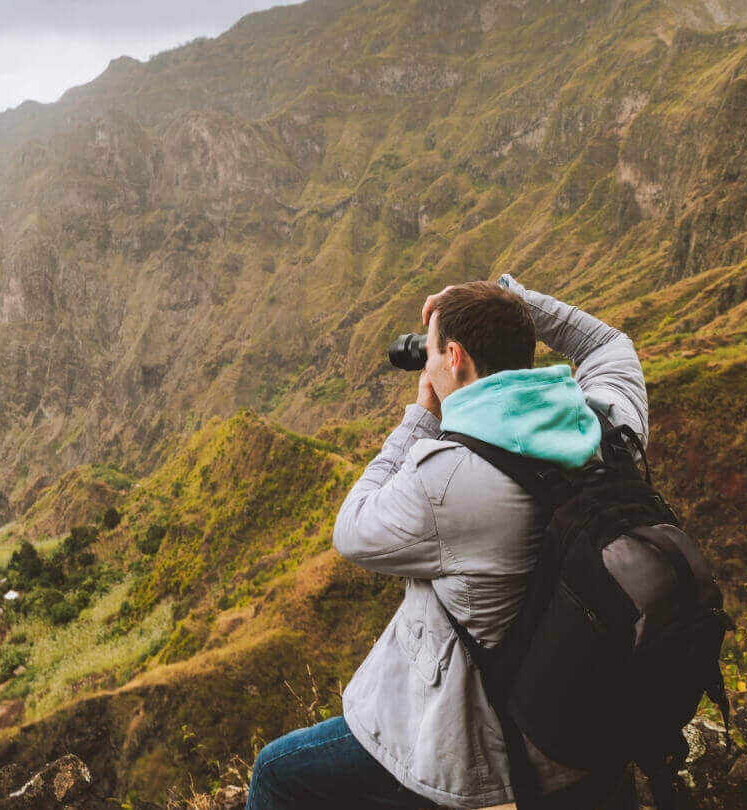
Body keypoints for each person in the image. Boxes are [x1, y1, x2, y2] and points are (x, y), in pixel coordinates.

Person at [245, 275, 647, 809]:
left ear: (454, 356)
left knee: (275, 772)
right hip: (589, 724)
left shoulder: (450, 478)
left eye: (432, 351)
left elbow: (352, 527)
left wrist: (421, 418)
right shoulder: (607, 426)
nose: (427, 363)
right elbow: (606, 344)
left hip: (489, 751)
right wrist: (515, 303)